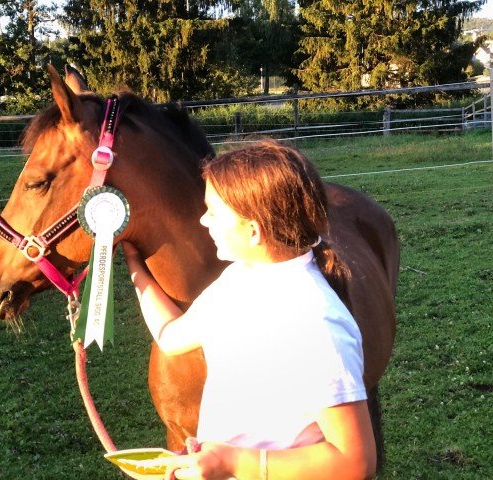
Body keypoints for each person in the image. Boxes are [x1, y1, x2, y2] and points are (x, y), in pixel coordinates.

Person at [122, 140, 376, 480]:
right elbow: (171, 336)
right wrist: (135, 266)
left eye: (213, 211)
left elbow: (355, 462)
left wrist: (232, 463)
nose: (203, 220)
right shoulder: (241, 278)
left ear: (253, 231)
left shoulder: (315, 321)